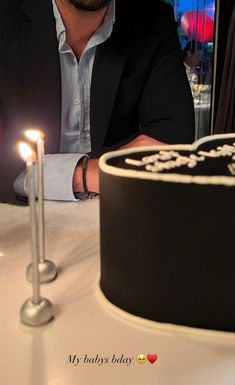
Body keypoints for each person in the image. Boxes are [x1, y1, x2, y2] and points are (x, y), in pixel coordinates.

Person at [0, 0, 195, 201]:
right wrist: (86, 174)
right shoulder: (6, 17)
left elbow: (174, 135)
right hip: (20, 214)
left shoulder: (152, 21)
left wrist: (73, 174)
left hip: (116, 210)